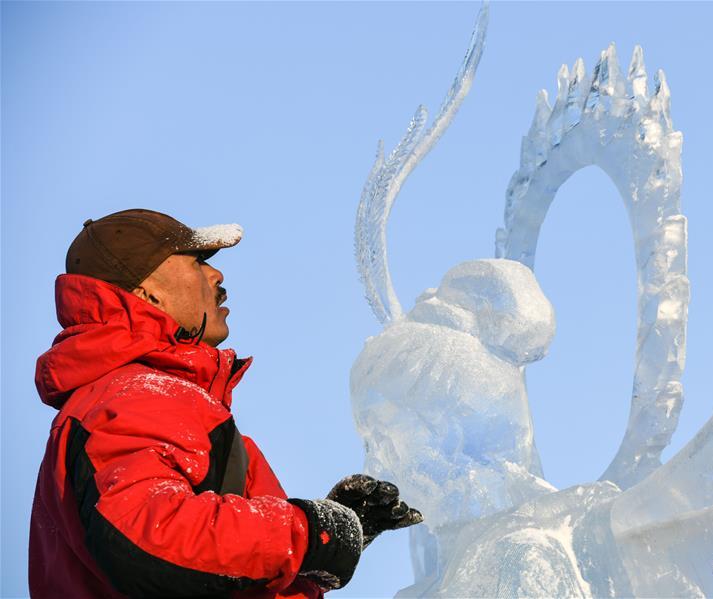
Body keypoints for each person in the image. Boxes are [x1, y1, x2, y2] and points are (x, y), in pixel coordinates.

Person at [29, 209, 422, 598]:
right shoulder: (138, 395)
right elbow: (146, 536)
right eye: (198, 261)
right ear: (148, 292)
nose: (216, 275)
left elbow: (203, 571)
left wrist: (317, 559)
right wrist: (306, 532)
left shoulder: (155, 399)